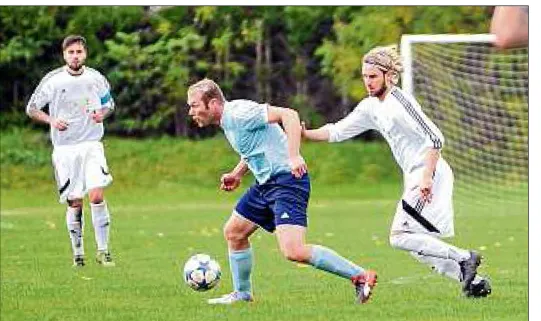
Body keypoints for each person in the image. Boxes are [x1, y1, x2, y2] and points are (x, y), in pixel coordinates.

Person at [301, 46, 491, 298]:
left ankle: (465, 257)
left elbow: (436, 138)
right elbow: (338, 130)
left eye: (373, 76)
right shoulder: (370, 107)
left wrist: (426, 176)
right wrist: (306, 134)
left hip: (429, 173)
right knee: (415, 245)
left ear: (389, 76)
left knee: (399, 236)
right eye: (365, 76)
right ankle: (474, 283)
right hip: (416, 176)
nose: (368, 82)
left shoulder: (401, 102)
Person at [187, 78, 377, 305]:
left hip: (288, 181)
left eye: (194, 105)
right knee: (234, 232)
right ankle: (242, 294)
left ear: (214, 103)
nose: (191, 111)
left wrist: (294, 155)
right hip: (266, 184)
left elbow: (289, 115)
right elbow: (256, 147)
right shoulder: (228, 122)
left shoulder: (240, 113)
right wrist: (237, 173)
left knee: (294, 250)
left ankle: (360, 276)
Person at [26, 35, 115, 268]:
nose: (75, 56)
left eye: (79, 52)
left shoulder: (96, 78)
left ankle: (104, 251)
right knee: (75, 202)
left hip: (92, 145)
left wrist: (101, 115)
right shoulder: (53, 80)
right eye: (71, 52)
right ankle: (78, 254)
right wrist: (52, 120)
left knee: (96, 195)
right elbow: (32, 108)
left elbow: (109, 104)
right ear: (64, 55)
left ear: (85, 54)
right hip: (65, 149)